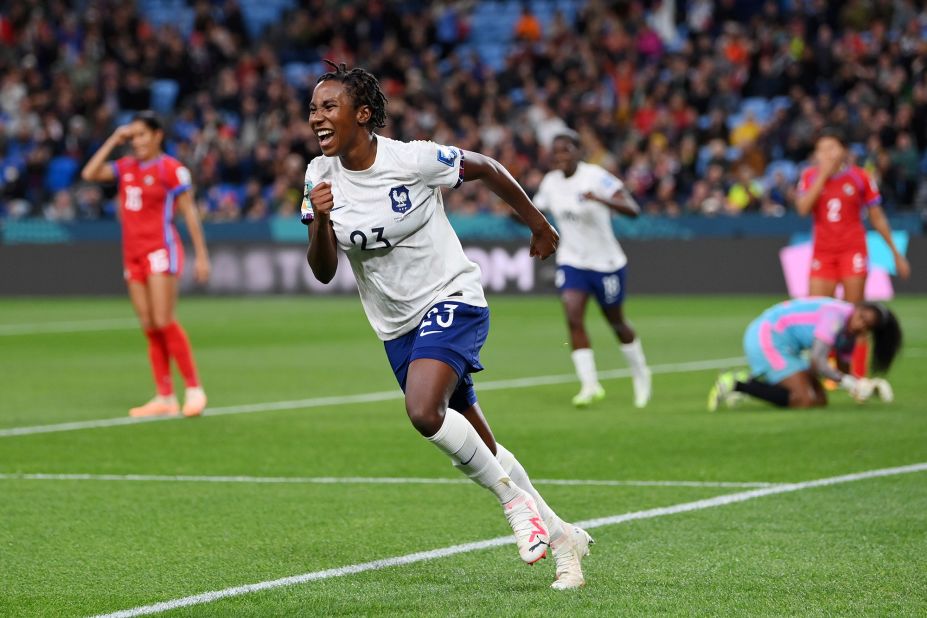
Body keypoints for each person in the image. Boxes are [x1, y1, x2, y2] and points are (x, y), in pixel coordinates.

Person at [302, 62, 591, 590]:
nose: (316, 116)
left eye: (329, 106)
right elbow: (322, 270)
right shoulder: (319, 177)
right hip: (397, 328)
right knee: (481, 444)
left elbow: (486, 166)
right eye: (314, 108)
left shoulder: (411, 158)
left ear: (362, 115)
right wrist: (320, 219)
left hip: (452, 297)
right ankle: (562, 534)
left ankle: (512, 505)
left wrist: (539, 224)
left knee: (423, 411)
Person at [81, 111, 210, 418]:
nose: (136, 141)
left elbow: (189, 213)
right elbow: (90, 173)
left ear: (157, 136)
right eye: (133, 135)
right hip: (133, 254)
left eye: (141, 135)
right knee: (149, 325)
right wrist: (114, 138)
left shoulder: (171, 170)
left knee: (165, 320)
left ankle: (194, 389)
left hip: (161, 250)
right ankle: (165, 397)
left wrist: (202, 255)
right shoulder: (126, 167)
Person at [532, 130, 652, 408]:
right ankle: (590, 385)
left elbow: (632, 209)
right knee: (573, 316)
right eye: (556, 152)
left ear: (578, 152)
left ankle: (640, 373)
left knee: (616, 322)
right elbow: (537, 211)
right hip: (573, 261)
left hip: (607, 263)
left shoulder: (595, 177)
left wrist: (601, 199)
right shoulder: (551, 182)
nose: (560, 157)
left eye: (566, 150)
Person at [795, 128, 911, 377]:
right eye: (821, 149)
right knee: (818, 315)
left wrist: (895, 253)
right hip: (823, 253)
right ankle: (823, 374)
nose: (826, 154)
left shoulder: (860, 177)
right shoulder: (809, 176)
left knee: (855, 315)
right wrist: (823, 176)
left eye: (831, 148)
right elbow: (803, 209)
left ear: (843, 150)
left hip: (852, 251)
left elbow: (877, 217)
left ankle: (857, 376)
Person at [707, 298, 901, 411]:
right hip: (767, 336)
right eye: (861, 317)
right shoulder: (836, 317)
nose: (859, 325)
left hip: (789, 348)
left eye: (866, 326)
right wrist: (852, 383)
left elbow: (842, 372)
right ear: (857, 308)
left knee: (820, 401)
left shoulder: (851, 335)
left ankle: (753, 381)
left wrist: (864, 387)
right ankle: (738, 385)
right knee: (803, 400)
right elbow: (817, 361)